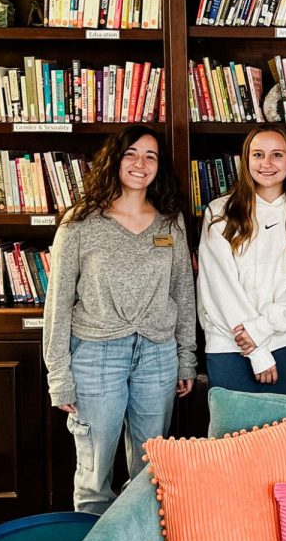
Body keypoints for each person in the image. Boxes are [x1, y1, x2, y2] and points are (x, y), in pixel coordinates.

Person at [43, 125, 196, 514]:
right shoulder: (79, 224)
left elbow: (182, 293)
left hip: (158, 356)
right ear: (114, 160)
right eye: (131, 153)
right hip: (96, 356)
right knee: (95, 474)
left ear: (158, 167)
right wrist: (58, 376)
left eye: (150, 156)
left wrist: (186, 357)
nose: (140, 163)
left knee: (150, 469)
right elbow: (58, 303)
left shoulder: (169, 222)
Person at [197, 124, 286, 396]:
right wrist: (257, 351)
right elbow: (219, 287)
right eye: (258, 155)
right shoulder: (219, 213)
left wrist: (261, 331)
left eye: (277, 155)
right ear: (246, 160)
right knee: (233, 437)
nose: (267, 163)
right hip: (229, 346)